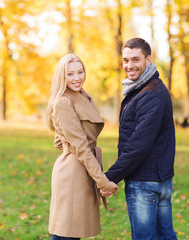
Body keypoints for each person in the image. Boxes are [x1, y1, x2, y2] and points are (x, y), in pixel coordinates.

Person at [102, 38, 178, 240]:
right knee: (166, 236)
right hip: (159, 178)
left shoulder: (149, 93)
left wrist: (109, 178)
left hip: (146, 182)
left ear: (148, 59)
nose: (129, 65)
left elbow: (138, 145)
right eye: (125, 60)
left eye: (135, 59)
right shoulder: (147, 88)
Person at [46, 53, 119, 240]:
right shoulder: (63, 102)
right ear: (62, 76)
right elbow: (81, 147)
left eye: (80, 72)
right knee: (67, 232)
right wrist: (102, 181)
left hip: (80, 168)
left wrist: (69, 145)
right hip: (73, 172)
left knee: (69, 231)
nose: (77, 77)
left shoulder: (83, 96)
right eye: (70, 74)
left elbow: (59, 141)